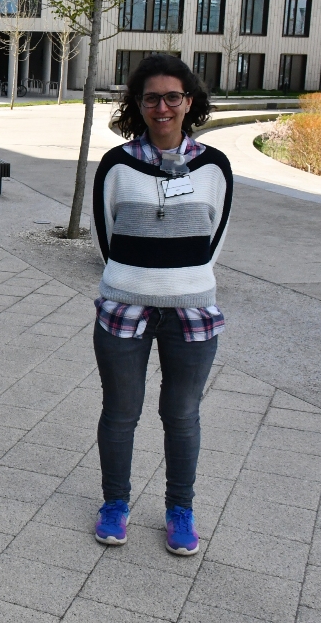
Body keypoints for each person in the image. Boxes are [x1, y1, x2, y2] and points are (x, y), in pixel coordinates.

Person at [90, 54, 232, 556]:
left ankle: (180, 509)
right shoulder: (116, 165)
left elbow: (215, 237)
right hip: (123, 309)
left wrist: (177, 280)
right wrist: (141, 279)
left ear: (189, 102)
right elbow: (104, 238)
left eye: (173, 96)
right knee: (121, 413)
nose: (163, 106)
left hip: (192, 313)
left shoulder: (214, 167)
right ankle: (115, 503)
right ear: (138, 105)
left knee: (183, 415)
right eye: (151, 98)